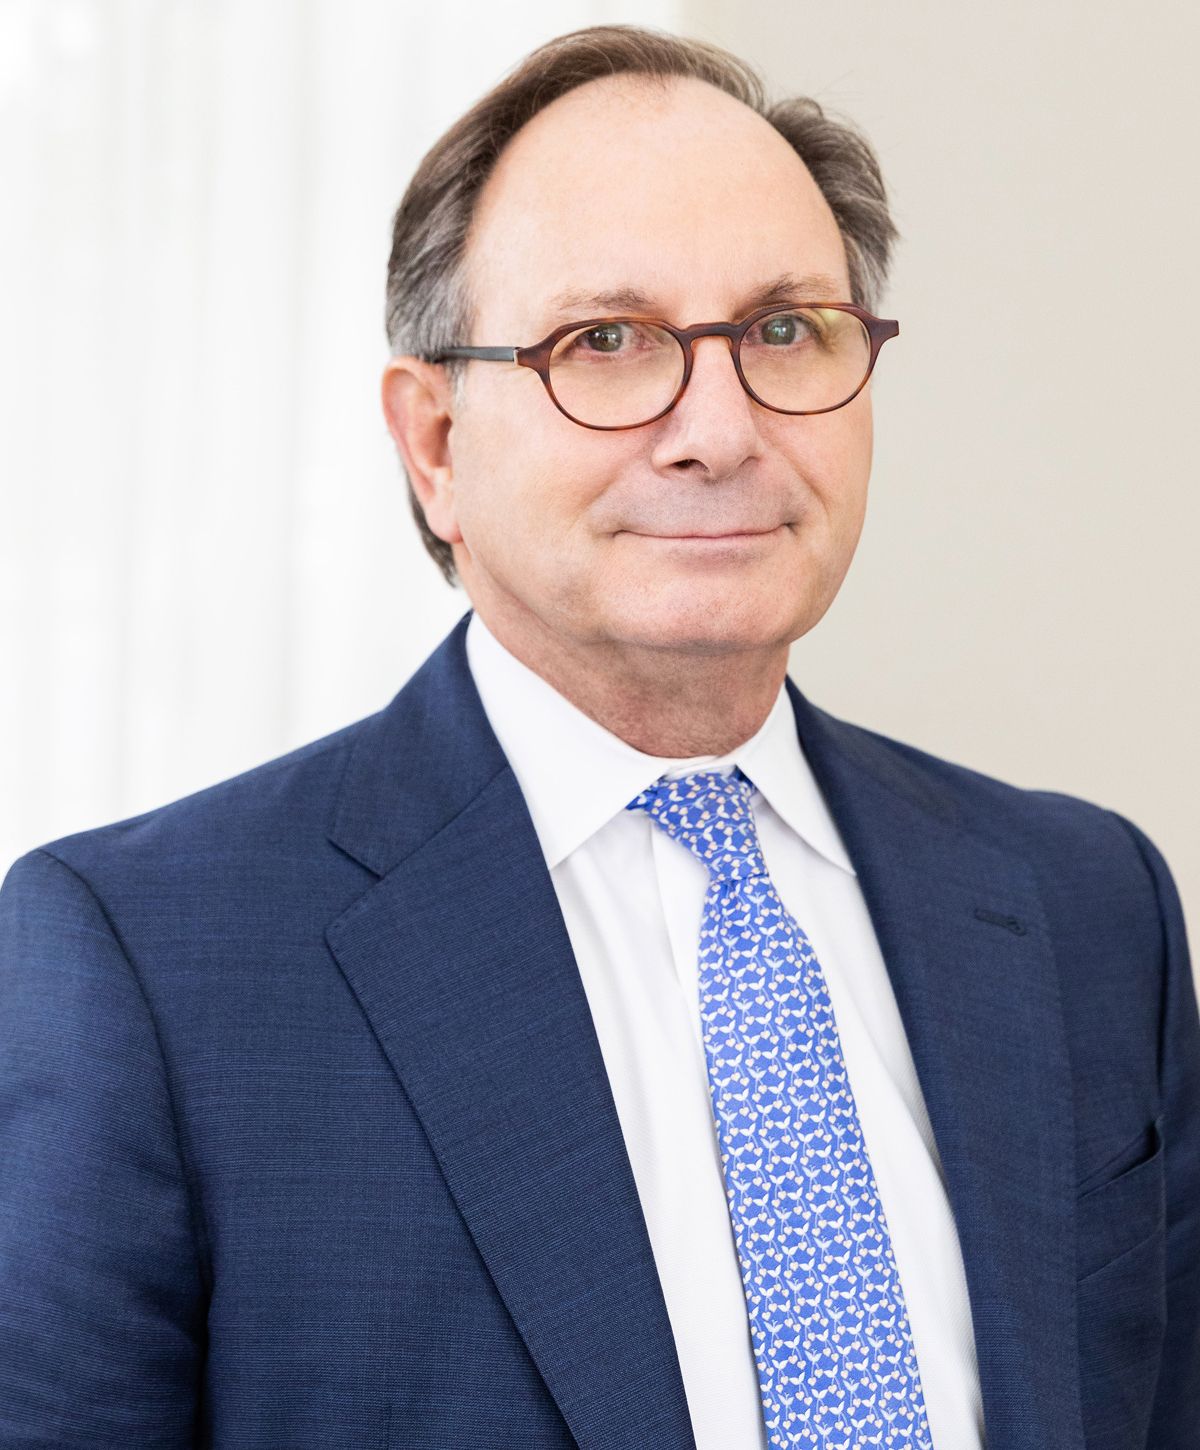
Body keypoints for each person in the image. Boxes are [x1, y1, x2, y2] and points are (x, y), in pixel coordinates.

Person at [1, 22, 1196, 1450]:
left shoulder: (1089, 908)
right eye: (607, 343)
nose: (719, 431)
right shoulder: (144, 964)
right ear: (435, 442)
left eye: (784, 331)